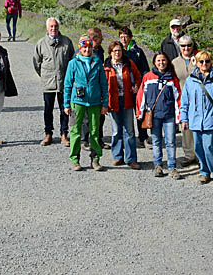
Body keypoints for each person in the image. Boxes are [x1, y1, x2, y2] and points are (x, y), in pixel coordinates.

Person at [179, 51, 213, 185]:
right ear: (196, 63)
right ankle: (204, 172)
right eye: (201, 61)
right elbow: (185, 101)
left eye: (207, 61)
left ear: (211, 62)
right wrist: (184, 119)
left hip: (212, 120)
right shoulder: (190, 80)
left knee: (209, 148)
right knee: (198, 149)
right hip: (195, 121)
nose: (204, 64)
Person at [63, 34, 109, 171]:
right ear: (80, 48)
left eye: (89, 47)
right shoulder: (73, 63)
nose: (87, 50)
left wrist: (105, 103)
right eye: (84, 47)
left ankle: (95, 159)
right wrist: (66, 104)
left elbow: (103, 85)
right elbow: (67, 85)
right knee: (76, 131)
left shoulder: (97, 62)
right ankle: (75, 159)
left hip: (95, 103)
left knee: (95, 132)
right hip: (77, 102)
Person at [32, 17, 76, 146]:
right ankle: (48, 134)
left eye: (55, 26)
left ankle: (64, 134)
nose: (53, 29)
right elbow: (36, 62)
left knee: (65, 109)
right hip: (48, 83)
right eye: (51, 26)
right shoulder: (41, 43)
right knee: (48, 109)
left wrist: (70, 78)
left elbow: (72, 60)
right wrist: (44, 75)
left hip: (64, 83)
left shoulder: (67, 42)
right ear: (47, 28)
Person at [137, 52, 181, 178]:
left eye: (163, 60)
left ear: (167, 62)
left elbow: (178, 97)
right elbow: (142, 95)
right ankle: (158, 165)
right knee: (156, 141)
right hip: (154, 115)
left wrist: (179, 116)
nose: (161, 63)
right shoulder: (148, 77)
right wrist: (140, 112)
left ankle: (172, 167)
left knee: (171, 142)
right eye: (158, 60)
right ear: (154, 62)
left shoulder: (172, 78)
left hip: (169, 115)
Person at [104, 41, 142, 168]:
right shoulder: (106, 66)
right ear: (110, 53)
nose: (117, 53)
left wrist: (136, 86)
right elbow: (102, 85)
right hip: (113, 101)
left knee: (129, 131)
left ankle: (131, 159)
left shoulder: (128, 64)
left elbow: (138, 77)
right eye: (114, 50)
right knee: (116, 131)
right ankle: (117, 156)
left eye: (119, 50)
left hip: (127, 100)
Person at [118, 26, 150, 147]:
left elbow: (145, 70)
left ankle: (143, 137)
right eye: (121, 37)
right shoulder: (118, 51)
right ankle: (124, 139)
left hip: (137, 88)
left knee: (139, 113)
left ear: (131, 37)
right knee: (123, 115)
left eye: (126, 36)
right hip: (123, 89)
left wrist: (140, 85)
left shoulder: (138, 52)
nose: (124, 39)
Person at [170, 35, 198, 166]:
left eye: (188, 45)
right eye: (183, 46)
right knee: (185, 129)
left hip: (199, 100)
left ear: (192, 46)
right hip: (182, 101)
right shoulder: (174, 63)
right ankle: (189, 155)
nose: (186, 48)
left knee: (198, 129)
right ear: (179, 47)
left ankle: (200, 155)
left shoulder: (200, 59)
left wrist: (196, 63)